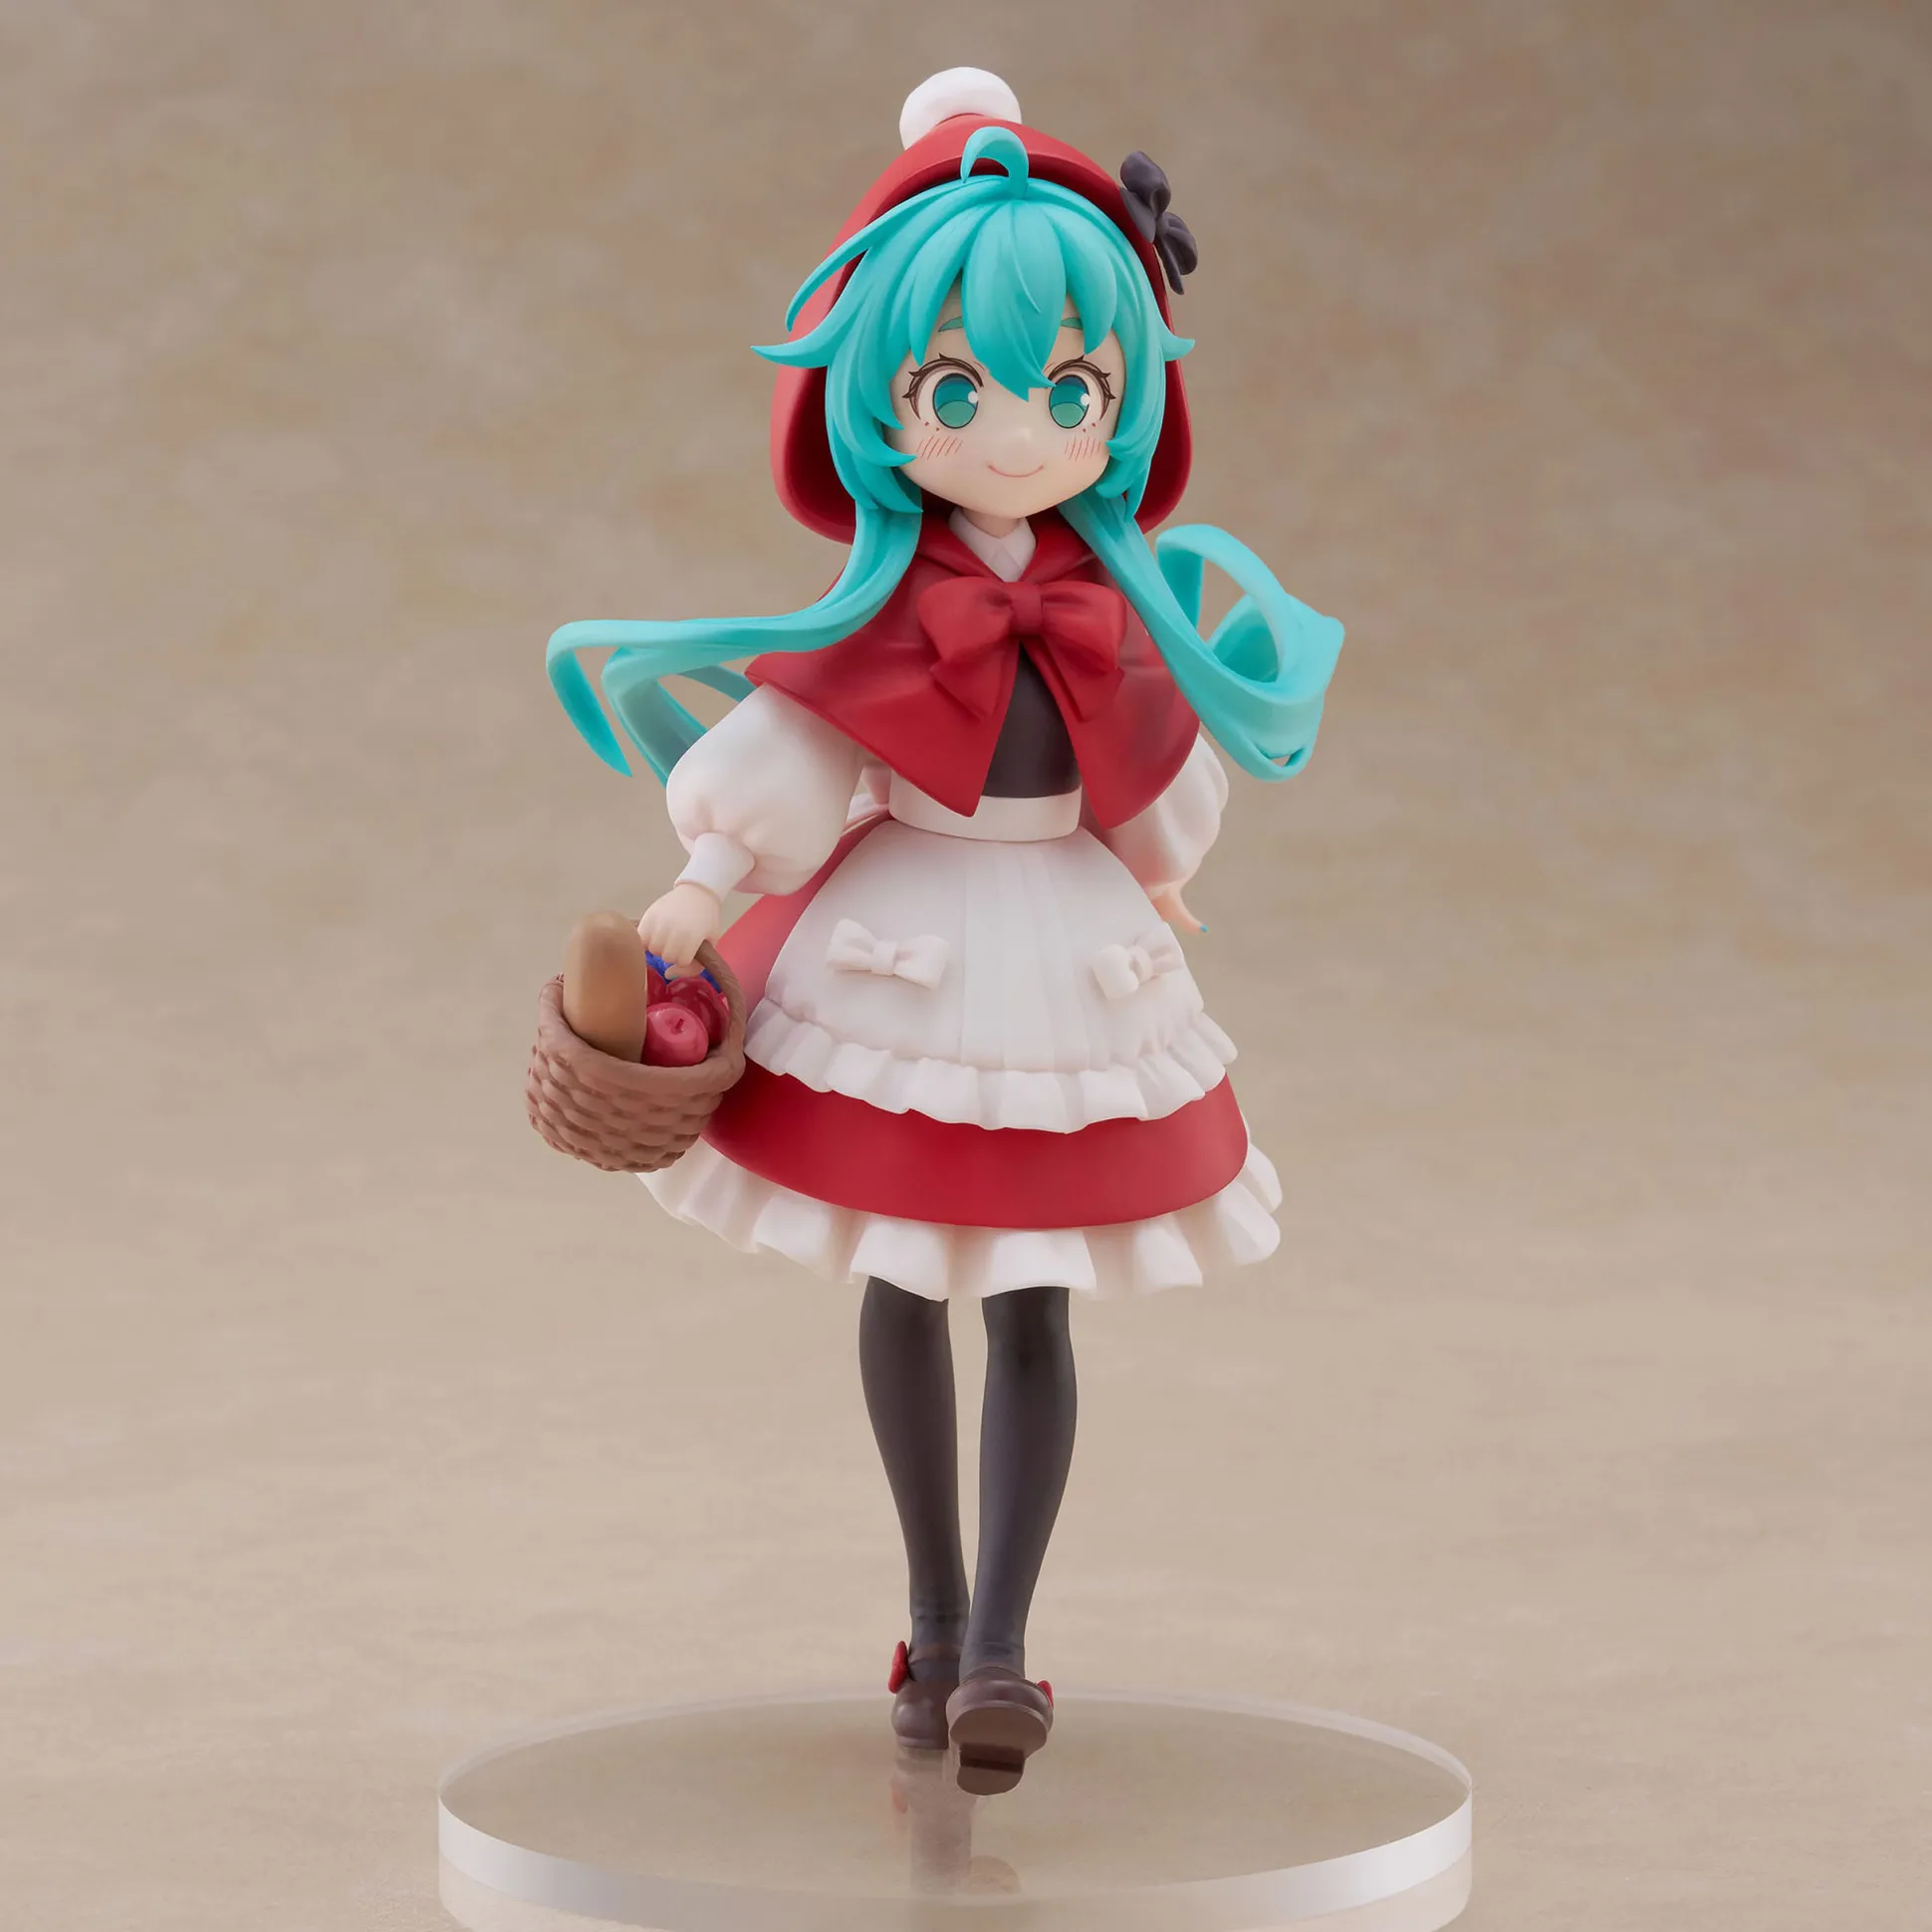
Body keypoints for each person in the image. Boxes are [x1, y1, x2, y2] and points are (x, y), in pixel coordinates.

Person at [546, 68, 1344, 1794]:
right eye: (959, 389)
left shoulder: (1113, 605)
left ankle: (998, 1652)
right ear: (877, 400)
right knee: (905, 1280)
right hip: (900, 937)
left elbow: (1157, 774)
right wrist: (699, 894)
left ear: (1123, 401)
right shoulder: (892, 612)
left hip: (1061, 948)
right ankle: (930, 1618)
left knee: (1033, 1301)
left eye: (1072, 388)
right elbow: (800, 751)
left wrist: (1160, 873)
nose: (1019, 431)